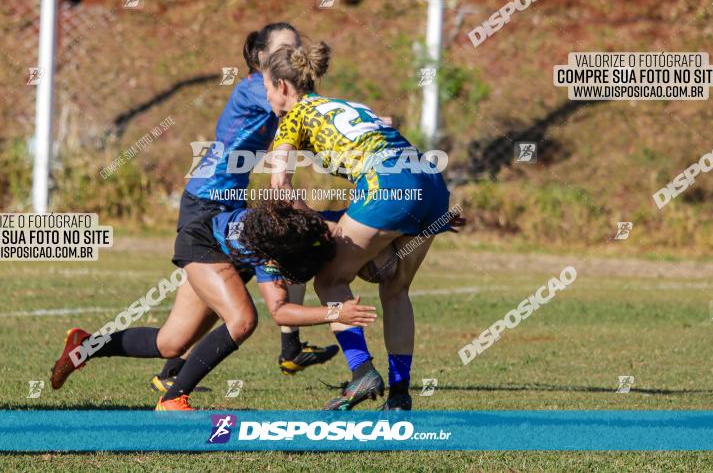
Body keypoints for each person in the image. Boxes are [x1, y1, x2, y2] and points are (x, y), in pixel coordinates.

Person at [262, 42, 461, 411]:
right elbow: (384, 133)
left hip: (390, 185)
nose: (269, 98)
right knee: (395, 289)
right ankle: (400, 396)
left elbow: (280, 188)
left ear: (283, 86)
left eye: (268, 88)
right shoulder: (348, 105)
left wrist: (317, 226)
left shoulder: (293, 116)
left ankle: (362, 373)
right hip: (432, 184)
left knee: (328, 279)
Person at [148, 23, 338, 394]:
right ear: (262, 57)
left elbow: (301, 126)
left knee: (210, 306)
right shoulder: (257, 87)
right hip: (206, 202)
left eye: (297, 49)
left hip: (227, 201)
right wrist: (355, 121)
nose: (293, 56)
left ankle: (174, 368)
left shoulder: (278, 90)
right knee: (244, 288)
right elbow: (303, 112)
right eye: (285, 49)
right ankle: (285, 349)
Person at [51, 201, 378, 411]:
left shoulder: (300, 223)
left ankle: (85, 345)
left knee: (171, 343)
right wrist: (337, 312)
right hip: (202, 245)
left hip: (219, 245)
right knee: (243, 320)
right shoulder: (270, 251)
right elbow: (279, 311)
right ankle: (173, 399)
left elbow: (343, 226)